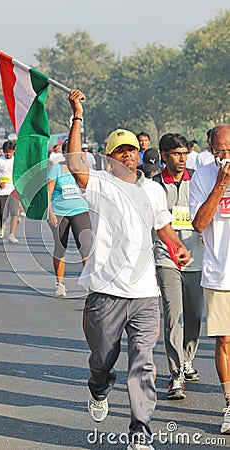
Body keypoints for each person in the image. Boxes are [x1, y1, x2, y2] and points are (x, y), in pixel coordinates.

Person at [67, 90, 190, 450]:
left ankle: (140, 430)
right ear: (110, 157)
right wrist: (77, 115)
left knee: (144, 363)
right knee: (102, 361)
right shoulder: (101, 185)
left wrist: (177, 247)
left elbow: (163, 227)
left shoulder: (152, 190)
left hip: (144, 294)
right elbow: (75, 163)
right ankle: (99, 387)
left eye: (133, 149)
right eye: (121, 150)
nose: (129, 154)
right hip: (106, 291)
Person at [153, 133, 204, 400]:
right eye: (176, 153)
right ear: (164, 155)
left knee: (194, 317)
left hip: (197, 258)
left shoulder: (198, 180)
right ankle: (176, 375)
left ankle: (187, 359)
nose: (181, 158)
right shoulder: (153, 185)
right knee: (173, 317)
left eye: (184, 153)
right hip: (167, 258)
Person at [189, 124, 230, 435]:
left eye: (229, 151)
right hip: (219, 274)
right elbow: (200, 224)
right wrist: (219, 186)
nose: (225, 157)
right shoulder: (203, 177)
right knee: (226, 341)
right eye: (219, 152)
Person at [47, 139, 91, 297]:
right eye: (69, 151)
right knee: (60, 247)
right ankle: (60, 284)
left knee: (85, 247)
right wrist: (50, 211)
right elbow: (49, 191)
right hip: (60, 212)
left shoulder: (83, 168)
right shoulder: (56, 169)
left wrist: (84, 161)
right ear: (64, 153)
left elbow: (91, 187)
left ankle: (89, 285)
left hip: (81, 210)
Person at [0, 140, 19, 243]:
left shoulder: (16, 161)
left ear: (14, 151)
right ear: (3, 151)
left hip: (13, 190)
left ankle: (12, 234)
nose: (8, 154)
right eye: (7, 152)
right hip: (1, 190)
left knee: (14, 213)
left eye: (11, 152)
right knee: (3, 212)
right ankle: (2, 225)